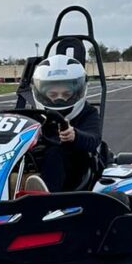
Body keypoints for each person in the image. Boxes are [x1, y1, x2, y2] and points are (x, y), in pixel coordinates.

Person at [23, 54, 102, 193]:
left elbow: (93, 140)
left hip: (76, 167)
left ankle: (46, 197)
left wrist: (75, 135)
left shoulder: (88, 113)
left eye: (66, 95)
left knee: (56, 152)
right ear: (41, 93)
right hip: (40, 161)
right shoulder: (35, 114)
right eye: (53, 95)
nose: (60, 99)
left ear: (78, 91)